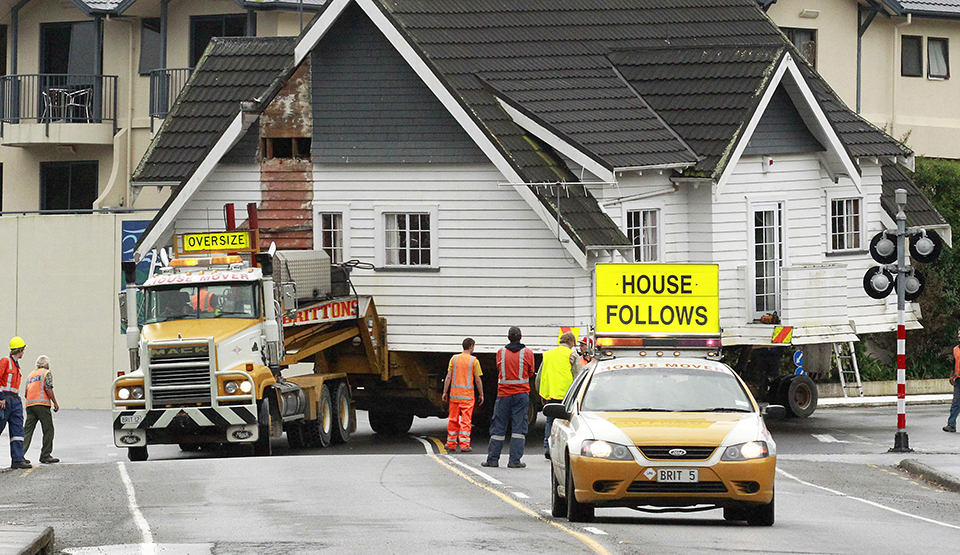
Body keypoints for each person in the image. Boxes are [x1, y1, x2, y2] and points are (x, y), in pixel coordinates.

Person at [482, 326, 535, 469]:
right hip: (521, 395)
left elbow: (499, 369)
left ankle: (493, 459)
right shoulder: (528, 353)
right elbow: (530, 372)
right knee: (519, 428)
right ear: (521, 337)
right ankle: (515, 461)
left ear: (508, 337)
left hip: (504, 395)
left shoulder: (501, 352)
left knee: (498, 427)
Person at [539, 331, 580, 459]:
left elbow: (539, 377)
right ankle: (562, 449)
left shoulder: (547, 355)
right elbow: (577, 375)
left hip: (550, 394)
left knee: (550, 421)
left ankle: (547, 446)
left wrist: (542, 393)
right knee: (566, 424)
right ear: (571, 343)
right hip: (566, 396)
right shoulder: (572, 355)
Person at [441, 338, 484, 453]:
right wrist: (481, 394)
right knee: (466, 421)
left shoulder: (454, 359)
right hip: (467, 397)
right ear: (471, 347)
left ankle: (451, 443)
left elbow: (448, 377)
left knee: (453, 420)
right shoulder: (474, 361)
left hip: (454, 396)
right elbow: (477, 380)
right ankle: (464, 445)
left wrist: (445, 392)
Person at [0, 337, 31, 469]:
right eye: (23, 350)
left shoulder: (16, 365)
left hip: (15, 399)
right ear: (20, 350)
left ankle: (18, 459)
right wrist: (1, 397)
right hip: (5, 399)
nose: (23, 352)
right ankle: (18, 458)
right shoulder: (5, 361)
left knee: (18, 430)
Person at [23, 355, 60, 463]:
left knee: (28, 431)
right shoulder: (46, 373)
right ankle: (45, 454)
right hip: (42, 405)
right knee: (48, 429)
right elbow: (48, 388)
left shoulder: (31, 375)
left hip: (30, 405)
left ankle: (19, 455)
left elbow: (26, 392)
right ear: (47, 364)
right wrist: (55, 402)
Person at [944, 327, 960, 433]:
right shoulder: (956, 349)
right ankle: (951, 424)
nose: (959, 336)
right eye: (958, 333)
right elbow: (954, 363)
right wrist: (952, 375)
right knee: (956, 402)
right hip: (958, 380)